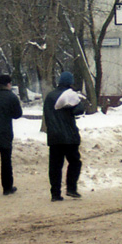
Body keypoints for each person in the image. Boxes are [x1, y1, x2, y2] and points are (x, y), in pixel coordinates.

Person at [43, 71, 85, 201]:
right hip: (69, 136)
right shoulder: (71, 95)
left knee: (55, 165)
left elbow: (47, 114)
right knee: (74, 162)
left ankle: (55, 193)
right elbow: (79, 110)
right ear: (70, 83)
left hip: (54, 136)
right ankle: (71, 188)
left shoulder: (50, 96)